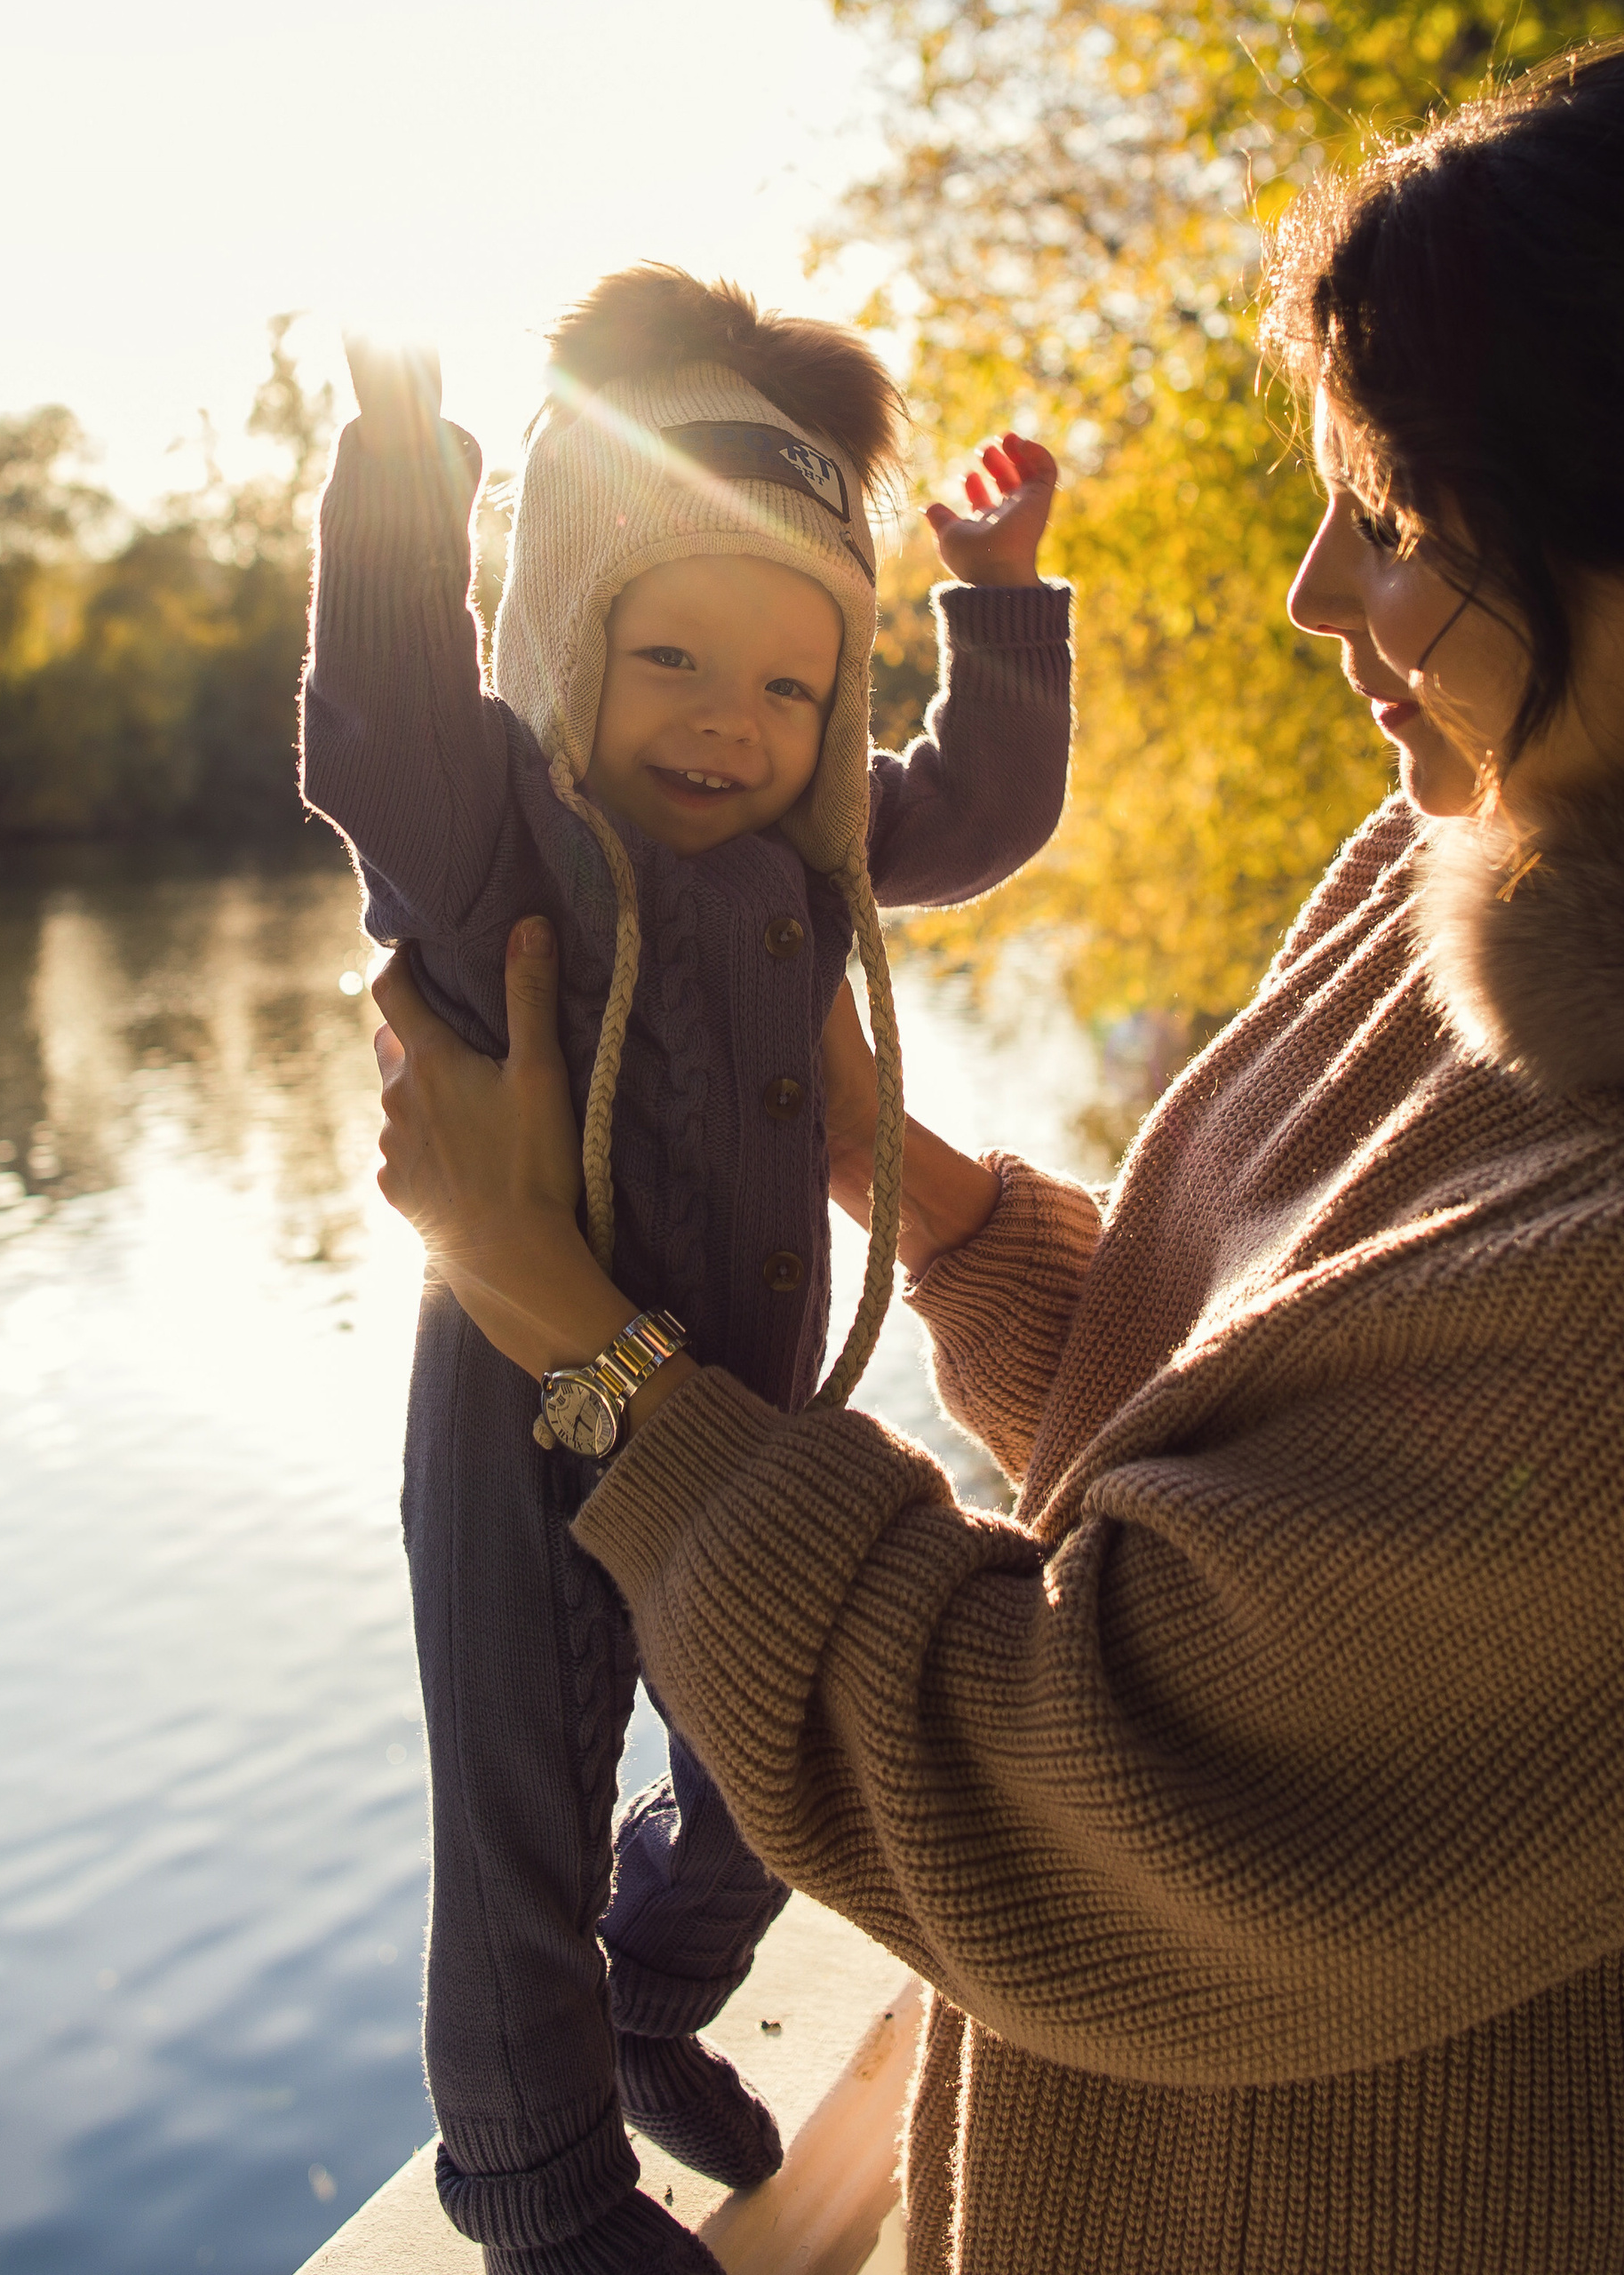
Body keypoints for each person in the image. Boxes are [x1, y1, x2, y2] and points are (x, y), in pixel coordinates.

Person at [365, 37, 1624, 2273]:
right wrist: (903, 1174)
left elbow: (1067, 1799)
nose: (1309, 594)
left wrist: (569, 1321)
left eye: (1388, 525)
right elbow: (1265, 1420)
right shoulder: (1477, 866)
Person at [302, 265, 1071, 2271]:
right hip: (521, 1428)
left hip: (729, 1421)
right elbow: (378, 727)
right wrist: (401, 465)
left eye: (792, 686)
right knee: (522, 1821)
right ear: (569, 631)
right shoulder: (498, 838)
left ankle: (654, 1997)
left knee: (771, 1755)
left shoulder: (807, 855)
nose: (733, 719)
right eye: (668, 657)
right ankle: (542, 2188)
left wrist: (995, 599)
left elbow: (984, 809)